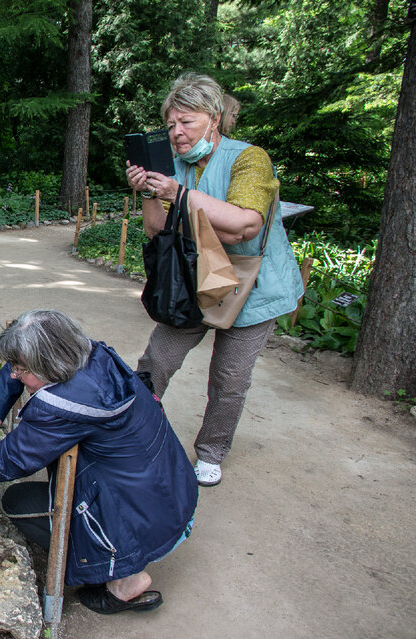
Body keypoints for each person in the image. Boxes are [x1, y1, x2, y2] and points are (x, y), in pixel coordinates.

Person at [0, 310, 198, 615]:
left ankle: (124, 578)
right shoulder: (87, 354)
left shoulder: (64, 407)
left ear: (47, 365)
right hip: (174, 495)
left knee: (19, 503)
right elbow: (19, 365)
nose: (14, 374)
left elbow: (10, 459)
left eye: (21, 369)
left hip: (144, 520)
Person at [126, 73, 303, 487]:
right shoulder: (173, 169)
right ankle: (128, 431)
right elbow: (156, 230)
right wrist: (152, 192)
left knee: (230, 378)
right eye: (170, 125)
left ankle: (210, 452)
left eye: (186, 121)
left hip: (251, 288)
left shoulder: (250, 159)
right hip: (191, 284)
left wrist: (179, 198)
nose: (177, 132)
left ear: (215, 118)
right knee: (157, 362)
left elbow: (244, 226)